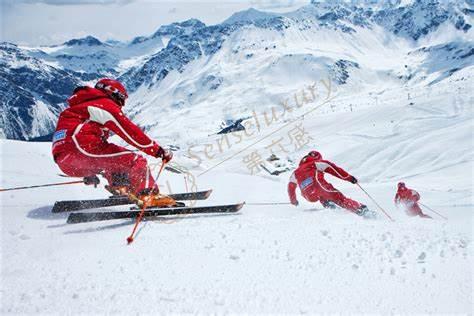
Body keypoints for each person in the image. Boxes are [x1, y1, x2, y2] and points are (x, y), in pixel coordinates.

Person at [51, 78, 175, 207]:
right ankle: (148, 195)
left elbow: (67, 140)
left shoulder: (80, 107)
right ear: (114, 93)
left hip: (64, 160)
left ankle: (121, 188)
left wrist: (88, 171)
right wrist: (157, 151)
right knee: (135, 160)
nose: (122, 104)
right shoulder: (103, 104)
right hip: (81, 149)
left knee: (114, 158)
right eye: (122, 99)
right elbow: (129, 132)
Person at [287, 150, 370, 216]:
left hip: (308, 195)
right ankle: (363, 210)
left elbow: (291, 186)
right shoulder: (315, 163)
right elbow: (334, 169)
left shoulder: (296, 172)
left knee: (323, 197)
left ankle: (334, 211)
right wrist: (349, 178)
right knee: (339, 198)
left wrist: (293, 200)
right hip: (319, 187)